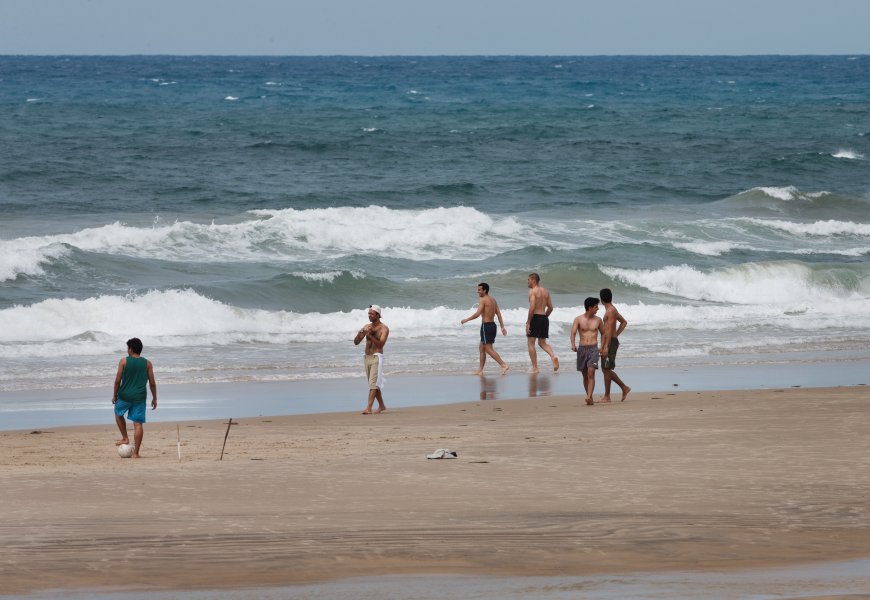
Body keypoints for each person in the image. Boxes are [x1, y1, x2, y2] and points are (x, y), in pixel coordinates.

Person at [112, 337, 157, 458]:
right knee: (138, 424)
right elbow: (152, 383)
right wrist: (154, 398)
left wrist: (114, 395)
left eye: (128, 348)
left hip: (124, 395)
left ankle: (125, 437)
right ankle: (136, 453)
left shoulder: (123, 361)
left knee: (118, 413)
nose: (127, 350)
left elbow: (117, 381)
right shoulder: (147, 363)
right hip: (140, 397)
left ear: (131, 349)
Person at [460, 282, 509, 375]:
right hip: (493, 326)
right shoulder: (493, 300)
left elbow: (477, 314)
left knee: (488, 349)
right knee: (482, 347)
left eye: (479, 290)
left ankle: (503, 365)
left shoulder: (483, 299)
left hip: (486, 327)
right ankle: (480, 370)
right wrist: (502, 327)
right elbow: (498, 314)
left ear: (484, 290)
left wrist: (466, 319)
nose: (477, 291)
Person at [353, 305, 390, 414]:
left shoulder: (384, 329)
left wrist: (370, 335)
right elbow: (356, 342)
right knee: (373, 384)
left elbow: (381, 344)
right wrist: (361, 333)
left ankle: (368, 408)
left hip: (377, 357)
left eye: (372, 314)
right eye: (369, 313)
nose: (369, 316)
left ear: (378, 315)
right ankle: (382, 406)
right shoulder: (367, 326)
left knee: (373, 384)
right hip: (367, 358)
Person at [599, 288, 631, 402]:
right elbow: (624, 322)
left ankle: (608, 396)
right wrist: (615, 335)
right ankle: (623, 388)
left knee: (606, 368)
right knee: (605, 368)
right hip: (610, 341)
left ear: (601, 300)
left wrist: (607, 345)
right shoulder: (611, 310)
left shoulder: (611, 311)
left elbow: (610, 328)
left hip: (610, 342)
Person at [570, 297, 603, 406]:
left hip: (593, 349)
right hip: (582, 350)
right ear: (590, 308)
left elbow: (604, 333)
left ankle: (588, 396)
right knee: (585, 376)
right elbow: (573, 332)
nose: (598, 308)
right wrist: (573, 344)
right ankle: (590, 397)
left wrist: (602, 346)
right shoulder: (578, 319)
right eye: (596, 307)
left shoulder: (598, 320)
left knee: (591, 373)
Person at [525, 273, 560, 373]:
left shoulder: (532, 291)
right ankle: (553, 356)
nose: (527, 282)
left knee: (531, 343)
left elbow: (532, 308)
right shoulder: (545, 291)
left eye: (528, 280)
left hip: (535, 317)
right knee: (542, 343)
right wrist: (544, 317)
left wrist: (528, 322)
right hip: (544, 317)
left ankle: (535, 368)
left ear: (533, 280)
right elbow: (550, 308)